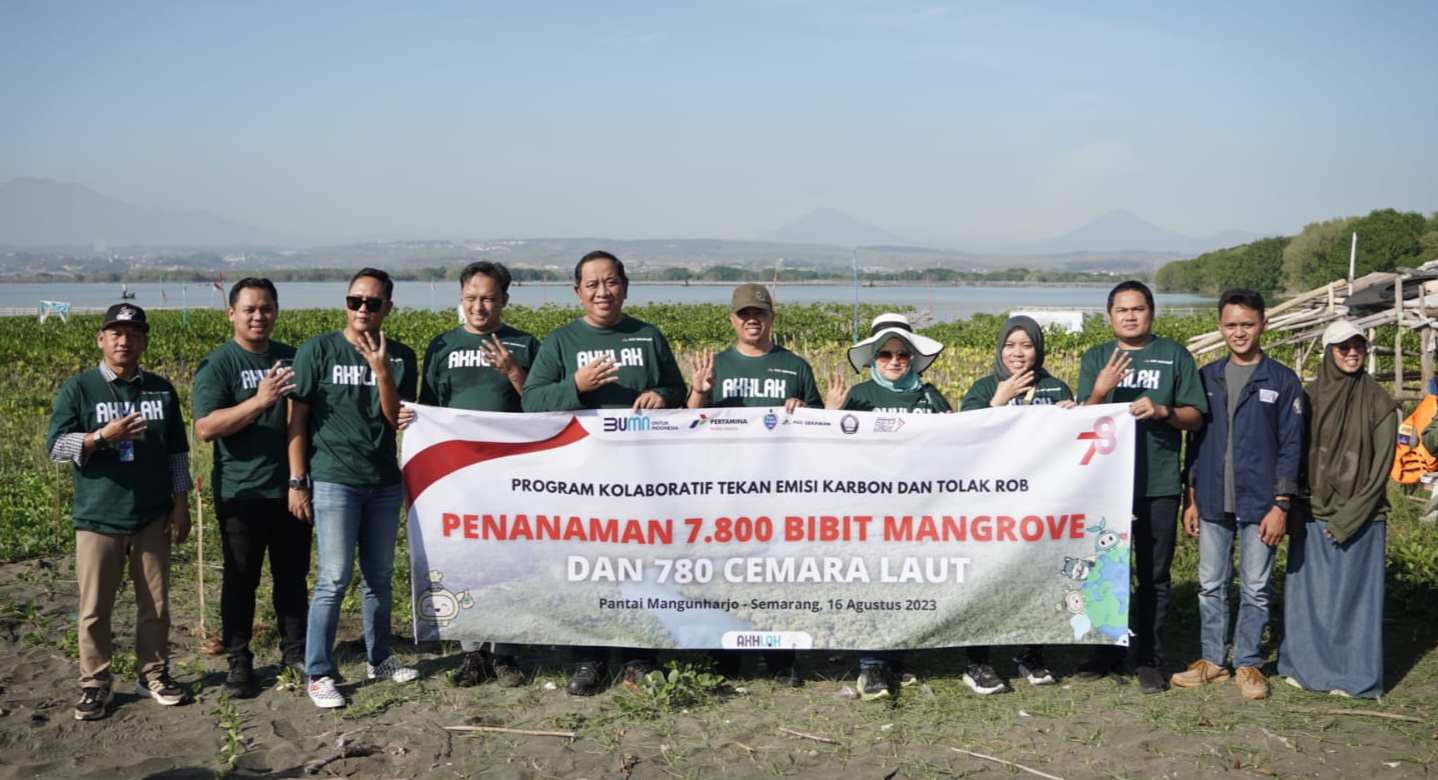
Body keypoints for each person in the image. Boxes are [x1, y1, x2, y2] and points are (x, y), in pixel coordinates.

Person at [522, 250, 687, 695]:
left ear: (625, 287)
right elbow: (531, 402)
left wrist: (661, 395)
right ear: (577, 292)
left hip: (641, 479)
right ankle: (588, 658)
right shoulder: (560, 342)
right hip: (581, 479)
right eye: (592, 284)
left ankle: (640, 656)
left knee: (643, 565)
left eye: (610, 282)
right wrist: (576, 387)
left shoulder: (648, 336)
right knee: (584, 567)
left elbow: (678, 388)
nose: (602, 292)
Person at [46, 303, 193, 720]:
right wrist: (99, 437)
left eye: (132, 334)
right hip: (97, 518)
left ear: (144, 341)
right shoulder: (80, 388)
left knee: (157, 605)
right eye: (115, 333)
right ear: (101, 339)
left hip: (151, 516)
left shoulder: (161, 390)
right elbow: (57, 448)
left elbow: (177, 454)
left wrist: (180, 505)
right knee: (94, 608)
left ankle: (155, 673)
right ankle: (94, 683)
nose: (124, 341)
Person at [289, 268, 420, 709]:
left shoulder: (401, 356)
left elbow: (393, 417)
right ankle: (319, 671)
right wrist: (297, 480)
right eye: (355, 301)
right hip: (333, 479)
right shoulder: (318, 351)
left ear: (388, 308)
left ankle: (378, 656)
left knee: (379, 577)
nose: (363, 309)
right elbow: (298, 419)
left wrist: (382, 370)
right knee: (333, 577)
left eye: (373, 303)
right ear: (345, 303)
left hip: (383, 480)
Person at [1075, 280, 1207, 693]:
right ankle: (1107, 651)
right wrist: (1100, 389)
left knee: (1154, 575)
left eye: (1138, 309)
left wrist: (1163, 410)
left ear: (1151, 312)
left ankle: (1149, 657)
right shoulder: (1097, 356)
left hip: (1159, 483)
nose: (1130, 316)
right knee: (1106, 572)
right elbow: (1080, 420)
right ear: (1109, 316)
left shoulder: (1173, 356)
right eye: (1122, 310)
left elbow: (1196, 417)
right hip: (1106, 486)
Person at [687, 282, 822, 687]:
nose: (752, 320)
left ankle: (779, 656)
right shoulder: (717, 365)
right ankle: (724, 654)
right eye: (745, 314)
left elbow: (819, 425)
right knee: (723, 569)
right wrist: (697, 392)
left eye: (759, 314)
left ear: (771, 318)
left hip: (780, 488)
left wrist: (804, 411)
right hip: (724, 487)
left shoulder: (794, 365)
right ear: (732, 319)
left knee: (777, 571)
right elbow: (687, 425)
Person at [1172, 289, 1303, 700]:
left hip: (1260, 503)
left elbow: (1291, 448)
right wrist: (1189, 498)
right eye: (1231, 325)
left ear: (1263, 324)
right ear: (1220, 327)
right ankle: (1213, 661)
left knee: (1255, 587)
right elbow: (1193, 444)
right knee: (1211, 584)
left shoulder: (1281, 380)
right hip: (1211, 499)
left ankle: (1247, 662)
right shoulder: (1207, 377)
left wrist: (1281, 505)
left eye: (1247, 324)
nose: (1239, 332)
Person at [415, 261, 539, 689]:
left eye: (488, 298)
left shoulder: (524, 344)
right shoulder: (442, 346)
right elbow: (427, 411)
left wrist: (513, 373)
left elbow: (541, 408)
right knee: (463, 560)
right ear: (461, 299)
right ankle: (471, 654)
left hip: (509, 474)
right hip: (456, 475)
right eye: (471, 298)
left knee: (509, 562)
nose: (479, 306)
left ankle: (505, 652)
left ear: (505, 300)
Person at [193, 278, 307, 699]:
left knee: (292, 577)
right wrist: (259, 401)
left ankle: (295, 653)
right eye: (249, 310)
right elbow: (206, 428)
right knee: (242, 580)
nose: (259, 316)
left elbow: (304, 418)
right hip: (240, 492)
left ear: (277, 312)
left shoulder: (292, 358)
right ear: (232, 314)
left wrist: (300, 479)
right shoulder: (219, 364)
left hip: (291, 489)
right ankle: (239, 659)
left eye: (266, 308)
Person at [828, 312, 949, 700]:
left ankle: (898, 656)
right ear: (874, 360)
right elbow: (831, 451)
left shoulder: (932, 397)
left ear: (913, 357)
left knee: (909, 580)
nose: (895, 361)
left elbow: (957, 446)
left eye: (902, 355)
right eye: (885, 355)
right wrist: (830, 416)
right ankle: (870, 664)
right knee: (873, 582)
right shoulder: (859, 397)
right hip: (870, 508)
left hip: (919, 509)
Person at [958, 314, 1075, 693]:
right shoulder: (982, 388)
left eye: (1026, 345)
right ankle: (977, 661)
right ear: (1000, 349)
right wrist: (998, 402)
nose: (1018, 353)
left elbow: (1071, 445)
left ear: (1038, 349)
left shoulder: (1056, 389)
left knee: (1036, 578)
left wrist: (1077, 418)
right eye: (1010, 345)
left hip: (1038, 502)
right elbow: (964, 440)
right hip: (991, 504)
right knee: (986, 580)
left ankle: (1031, 653)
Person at [1280, 320, 1397, 699]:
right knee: (1309, 598)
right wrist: (1294, 506)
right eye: (1342, 347)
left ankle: (1353, 676)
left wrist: (1349, 518)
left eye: (1358, 346)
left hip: (1361, 516)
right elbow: (1293, 455)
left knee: (1354, 601)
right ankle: (1306, 668)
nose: (1351, 353)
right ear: (1328, 352)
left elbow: (1380, 470)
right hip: (1311, 511)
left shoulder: (1380, 402)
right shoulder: (1307, 397)